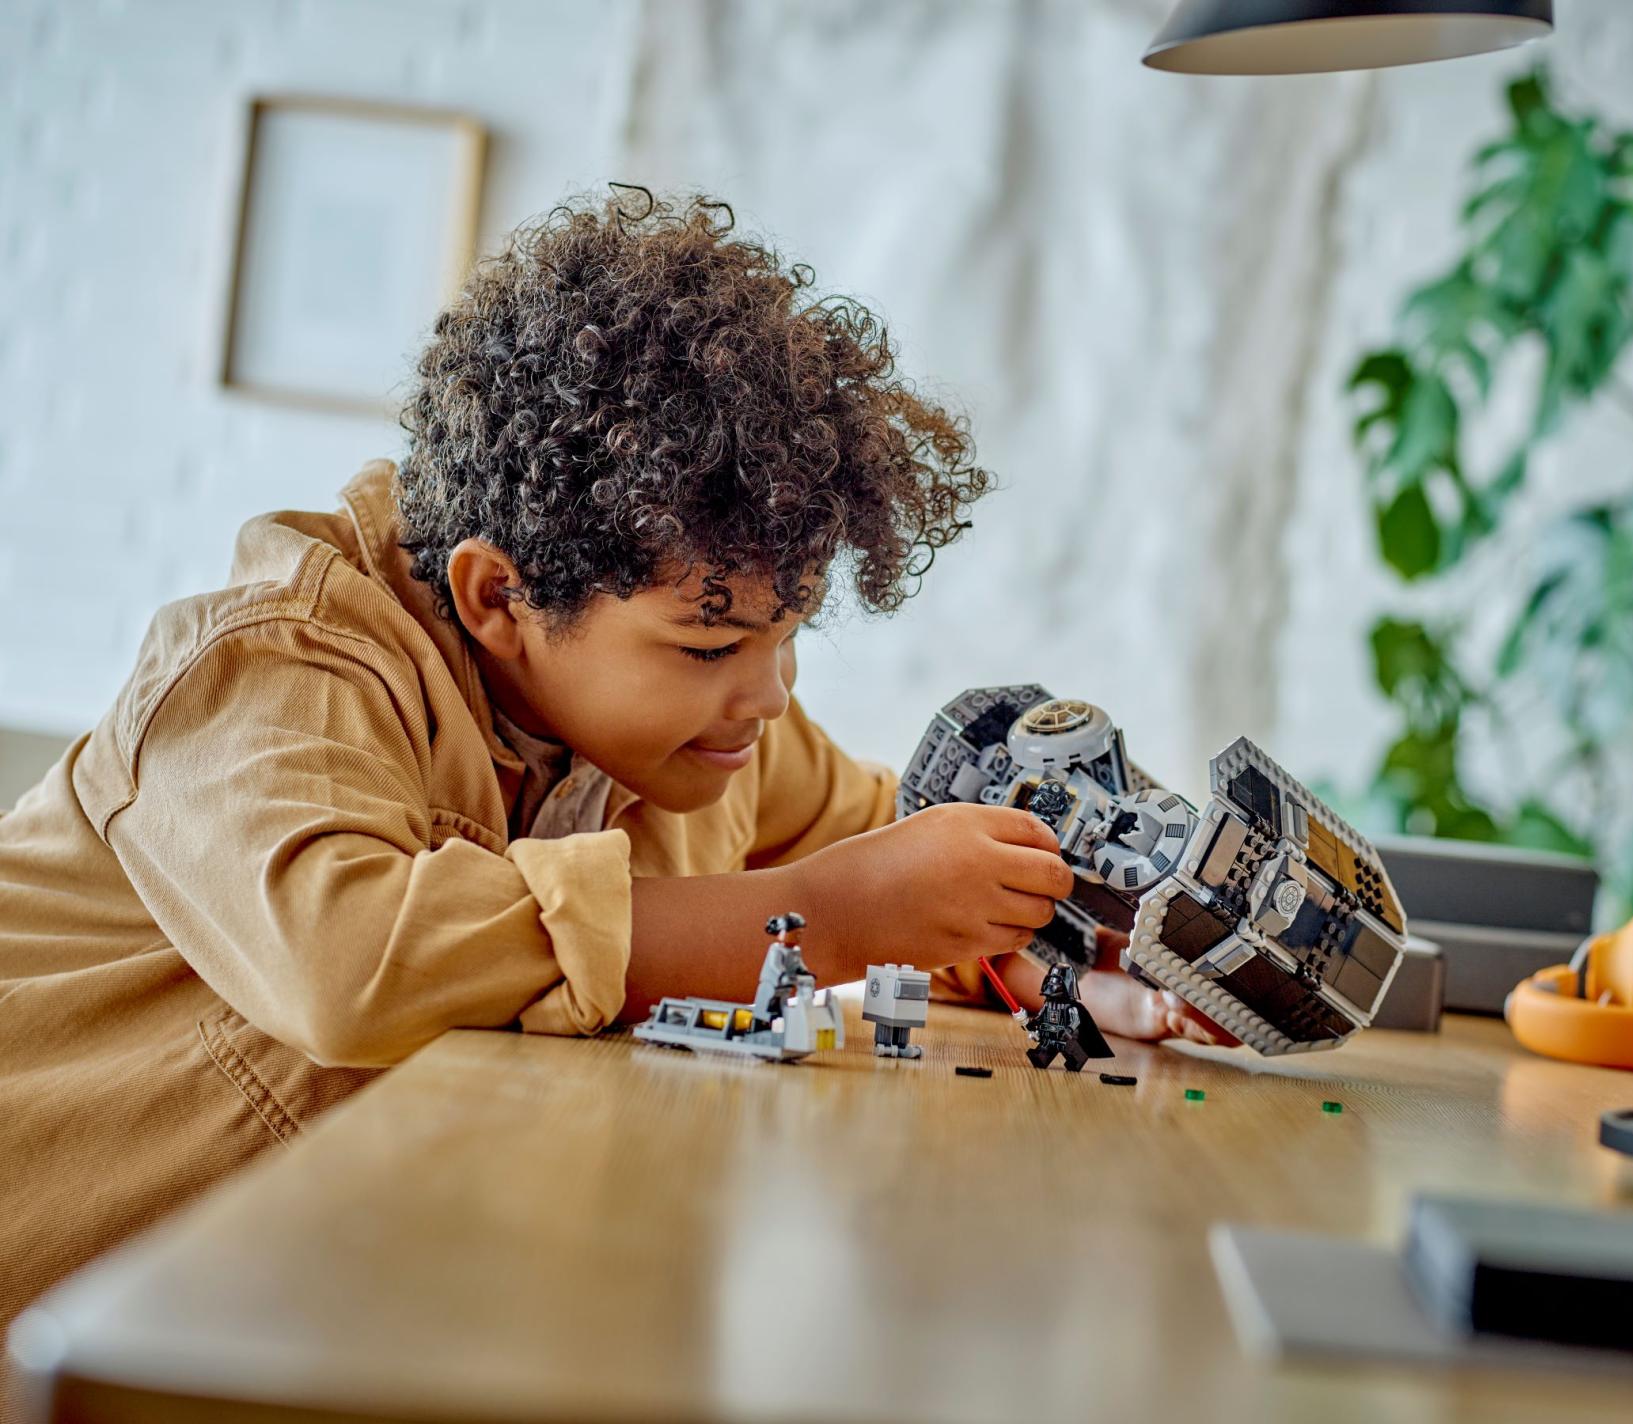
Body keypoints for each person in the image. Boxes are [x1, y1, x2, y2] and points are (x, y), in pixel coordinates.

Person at [0, 188, 1219, 1351]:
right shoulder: (271, 668)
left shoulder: (702, 735)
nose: (769, 694)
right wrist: (829, 915)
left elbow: (889, 849)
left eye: (788, 635)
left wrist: (1044, 956)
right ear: (499, 595)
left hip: (339, 1316)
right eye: (710, 644)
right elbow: (351, 961)